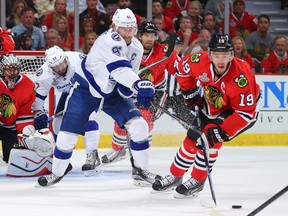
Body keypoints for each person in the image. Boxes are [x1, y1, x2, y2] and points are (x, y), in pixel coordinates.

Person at [37, 8, 160, 187]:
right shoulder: (108, 40)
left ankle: (140, 171)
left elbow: (128, 75)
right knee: (66, 135)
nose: (127, 33)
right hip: (88, 88)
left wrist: (132, 90)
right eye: (124, 28)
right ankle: (56, 173)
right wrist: (138, 84)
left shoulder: (136, 47)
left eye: (131, 28)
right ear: (115, 27)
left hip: (112, 91)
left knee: (139, 125)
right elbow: (119, 70)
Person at [152, 34, 260, 198]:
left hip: (237, 112)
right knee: (192, 135)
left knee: (210, 137)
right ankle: (175, 175)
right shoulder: (198, 61)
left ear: (231, 55)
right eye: (217, 55)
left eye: (225, 55)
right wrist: (190, 92)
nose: (221, 60)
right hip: (211, 105)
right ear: (209, 54)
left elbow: (246, 113)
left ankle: (197, 180)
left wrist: (222, 131)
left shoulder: (241, 75)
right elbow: (181, 69)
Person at [101, 21, 179, 165]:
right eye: (146, 35)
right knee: (122, 117)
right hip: (132, 91)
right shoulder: (129, 49)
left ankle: (141, 156)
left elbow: (180, 72)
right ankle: (118, 150)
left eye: (152, 36)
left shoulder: (164, 52)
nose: (149, 39)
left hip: (155, 93)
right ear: (139, 35)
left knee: (144, 118)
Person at [33, 45, 101, 176]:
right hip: (67, 92)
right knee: (57, 125)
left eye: (62, 64)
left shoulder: (77, 59)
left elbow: (96, 76)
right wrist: (38, 113)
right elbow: (39, 99)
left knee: (89, 118)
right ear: (49, 67)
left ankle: (93, 156)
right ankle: (62, 160)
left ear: (65, 58)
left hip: (87, 90)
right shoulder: (44, 74)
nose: (60, 68)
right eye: (55, 67)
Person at [0, 54, 54, 165]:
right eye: (9, 69)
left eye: (14, 69)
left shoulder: (27, 85)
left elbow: (24, 114)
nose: (12, 72)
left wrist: (26, 132)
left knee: (9, 157)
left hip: (10, 128)